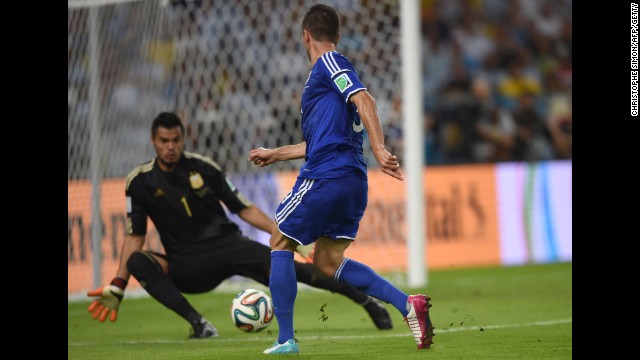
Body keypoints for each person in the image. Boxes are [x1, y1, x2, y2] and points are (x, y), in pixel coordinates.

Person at [86, 112, 393, 339]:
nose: (170, 147)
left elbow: (244, 209)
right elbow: (135, 236)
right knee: (137, 260)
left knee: (297, 270)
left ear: (183, 138)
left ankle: (365, 301)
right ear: (153, 141)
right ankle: (199, 324)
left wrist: (291, 239)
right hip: (186, 264)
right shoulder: (139, 182)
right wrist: (118, 283)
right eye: (164, 141)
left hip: (228, 246)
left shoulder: (204, 168)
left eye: (176, 140)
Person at [248, 4, 434, 355]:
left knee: (279, 239)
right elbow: (318, 141)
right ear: (339, 33)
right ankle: (407, 304)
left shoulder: (329, 62)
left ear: (305, 35)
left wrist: (379, 149)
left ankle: (286, 339)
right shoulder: (324, 83)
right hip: (350, 181)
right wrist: (275, 153)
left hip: (327, 175)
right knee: (327, 261)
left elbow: (364, 98)